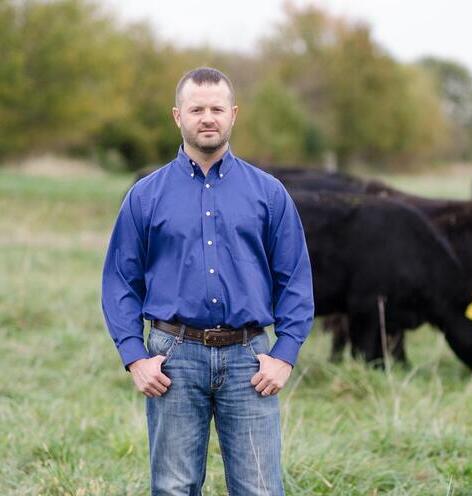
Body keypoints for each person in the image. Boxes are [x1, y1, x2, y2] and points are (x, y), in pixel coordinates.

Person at [101, 67, 314, 495]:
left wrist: (285, 354)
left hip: (250, 360)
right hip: (172, 360)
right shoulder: (145, 195)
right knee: (174, 487)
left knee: (260, 488)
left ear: (233, 114)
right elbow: (121, 280)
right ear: (177, 116)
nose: (208, 117)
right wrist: (135, 357)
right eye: (196, 109)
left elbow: (294, 278)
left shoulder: (269, 193)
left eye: (217, 108)